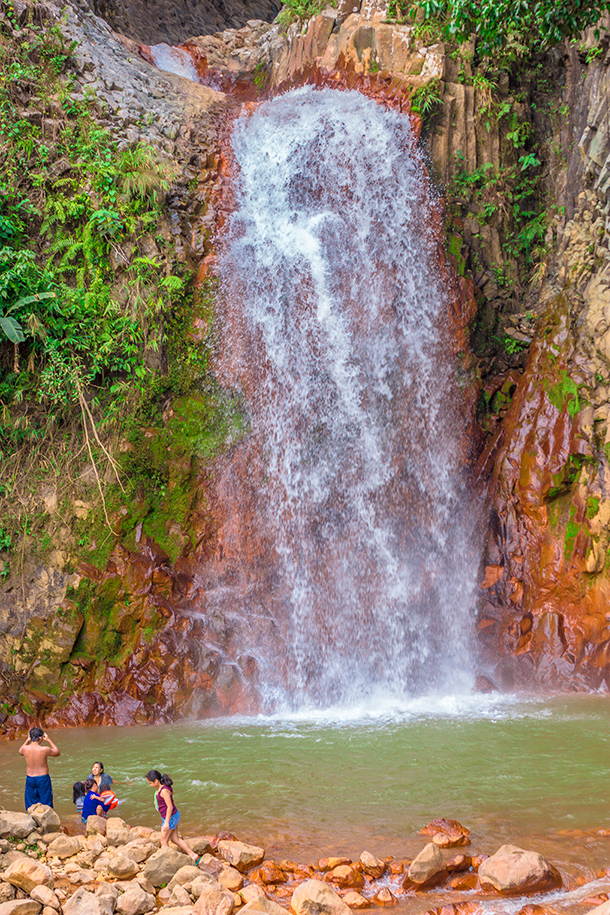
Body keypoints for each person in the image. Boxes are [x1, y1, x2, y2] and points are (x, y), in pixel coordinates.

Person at [146, 770, 202, 864]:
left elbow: (170, 806)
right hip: (172, 816)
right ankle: (194, 856)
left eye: (150, 783)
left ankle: (169, 863)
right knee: (175, 839)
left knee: (163, 841)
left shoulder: (164, 791)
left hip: (171, 817)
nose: (150, 785)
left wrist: (167, 822)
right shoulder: (161, 789)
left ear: (156, 781)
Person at [19, 727, 60, 810]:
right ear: (41, 738)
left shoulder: (24, 749)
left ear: (30, 737)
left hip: (30, 778)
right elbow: (57, 752)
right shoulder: (44, 749)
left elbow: (20, 752)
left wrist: (27, 740)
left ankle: (33, 820)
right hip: (42, 778)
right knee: (46, 802)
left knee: (31, 803)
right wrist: (48, 740)